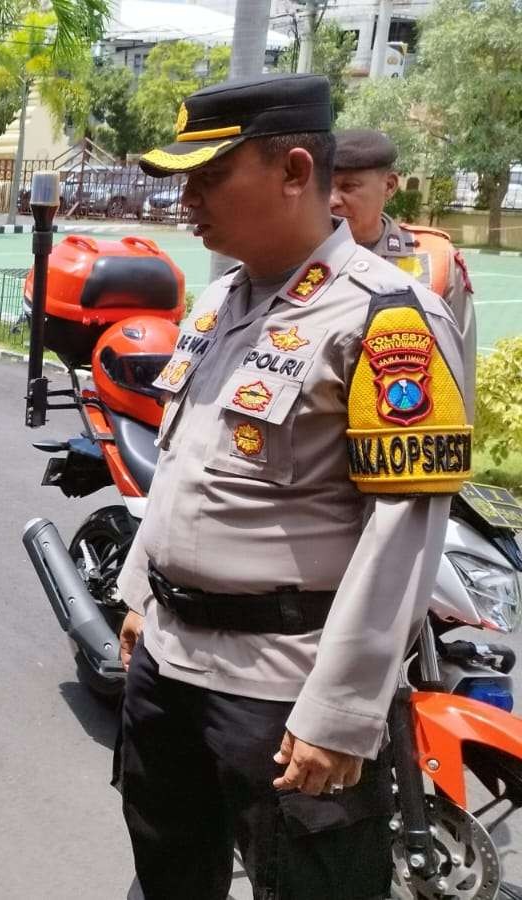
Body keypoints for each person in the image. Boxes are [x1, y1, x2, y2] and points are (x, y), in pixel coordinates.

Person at [114, 74, 473, 899]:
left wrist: (341, 714)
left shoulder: (387, 320)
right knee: (169, 872)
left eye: (211, 178)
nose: (189, 202)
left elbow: (404, 532)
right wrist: (141, 597)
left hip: (280, 689)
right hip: (170, 665)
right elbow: (184, 466)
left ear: (294, 170)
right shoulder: (218, 301)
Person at [331, 127, 475, 365]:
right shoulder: (296, 256)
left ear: (389, 186)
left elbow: (462, 360)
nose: (332, 200)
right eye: (324, 187)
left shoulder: (436, 257)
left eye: (348, 187)